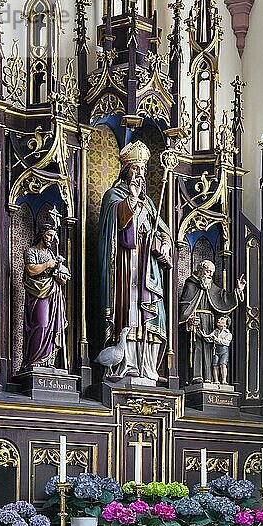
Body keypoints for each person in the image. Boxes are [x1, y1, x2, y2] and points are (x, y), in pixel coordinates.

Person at [98, 140, 172, 383]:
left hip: (147, 269)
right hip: (126, 266)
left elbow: (164, 232)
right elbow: (115, 225)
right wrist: (132, 201)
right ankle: (127, 364)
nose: (140, 173)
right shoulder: (114, 196)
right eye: (136, 168)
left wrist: (162, 244)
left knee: (149, 312)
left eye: (143, 169)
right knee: (129, 312)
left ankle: (148, 366)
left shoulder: (150, 203)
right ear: (125, 170)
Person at [179, 259, 246, 385]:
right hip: (196, 320)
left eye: (212, 272)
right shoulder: (191, 283)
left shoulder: (212, 287)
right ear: (200, 270)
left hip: (210, 321)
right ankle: (196, 376)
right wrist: (189, 320)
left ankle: (209, 377)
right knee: (197, 347)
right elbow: (185, 304)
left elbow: (223, 299)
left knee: (210, 349)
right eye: (208, 271)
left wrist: (238, 290)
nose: (210, 274)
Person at [21, 224, 70, 371]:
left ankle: (48, 361)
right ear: (42, 234)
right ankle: (35, 360)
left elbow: (60, 277)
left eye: (53, 236)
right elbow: (31, 270)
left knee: (52, 326)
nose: (51, 239)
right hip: (38, 292)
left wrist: (60, 276)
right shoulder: (31, 251)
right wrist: (48, 264)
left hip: (53, 292)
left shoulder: (52, 254)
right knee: (41, 324)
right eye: (49, 235)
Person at [199, 315, 232, 385]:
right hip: (216, 350)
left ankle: (224, 380)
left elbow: (225, 342)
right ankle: (216, 380)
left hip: (224, 350)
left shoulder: (228, 334)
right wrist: (204, 335)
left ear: (225, 324)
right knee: (215, 365)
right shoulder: (216, 331)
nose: (219, 320)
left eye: (222, 320)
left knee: (223, 365)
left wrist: (216, 339)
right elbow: (209, 338)